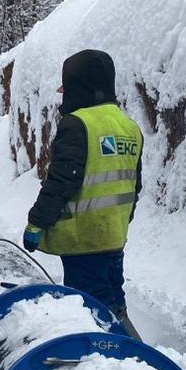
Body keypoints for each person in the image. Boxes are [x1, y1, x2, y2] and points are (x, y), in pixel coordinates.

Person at [21, 49, 144, 340]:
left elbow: (62, 181)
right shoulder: (129, 126)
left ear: (78, 86)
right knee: (114, 303)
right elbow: (134, 186)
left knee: (91, 311)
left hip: (83, 238)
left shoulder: (77, 124)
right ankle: (137, 357)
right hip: (113, 235)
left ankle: (123, 364)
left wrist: (36, 222)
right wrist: (120, 223)